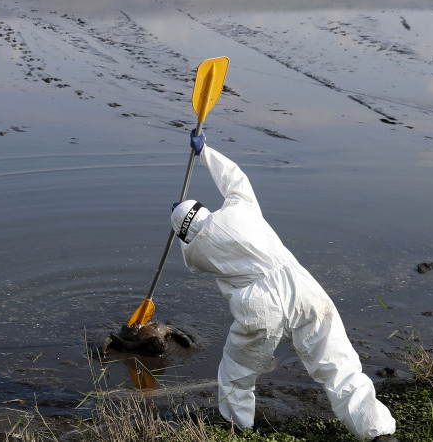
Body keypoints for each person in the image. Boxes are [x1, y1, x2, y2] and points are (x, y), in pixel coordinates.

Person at [170, 130, 397, 442]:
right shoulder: (239, 209)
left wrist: (178, 223)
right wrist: (205, 152)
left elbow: (190, 250)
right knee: (339, 365)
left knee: (237, 371)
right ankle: (377, 433)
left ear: (186, 236)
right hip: (301, 286)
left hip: (258, 305)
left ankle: (238, 427)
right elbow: (234, 178)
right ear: (206, 210)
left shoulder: (196, 254)